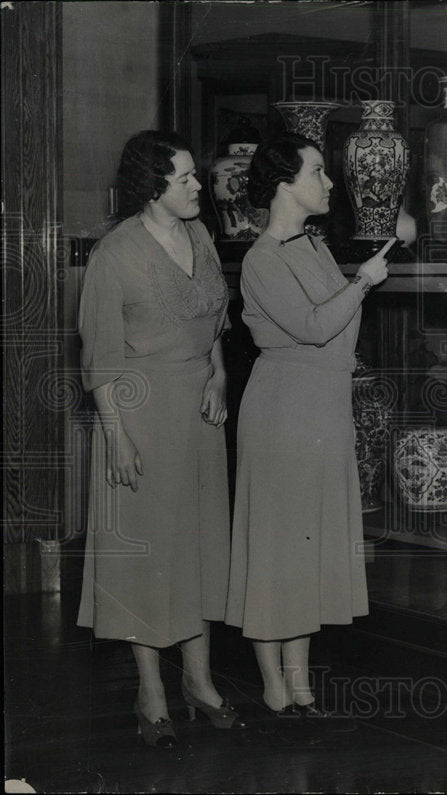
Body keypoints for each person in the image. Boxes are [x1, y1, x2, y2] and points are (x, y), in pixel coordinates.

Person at [77, 130, 244, 748]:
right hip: (138, 415)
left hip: (199, 416)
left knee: (199, 549)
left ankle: (199, 683)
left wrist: (220, 376)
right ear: (153, 189)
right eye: (184, 179)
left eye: (195, 175)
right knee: (149, 557)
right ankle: (151, 694)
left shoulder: (199, 234)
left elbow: (215, 316)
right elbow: (98, 360)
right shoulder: (114, 254)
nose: (198, 185)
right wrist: (116, 437)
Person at [225, 133, 392, 717]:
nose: (328, 184)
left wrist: (356, 283)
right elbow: (317, 325)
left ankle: (300, 683)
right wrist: (364, 280)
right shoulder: (262, 257)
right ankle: (274, 684)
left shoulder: (314, 245)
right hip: (284, 410)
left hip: (323, 406)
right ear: (284, 185)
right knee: (277, 548)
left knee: (305, 547)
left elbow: (337, 331)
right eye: (318, 172)